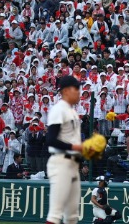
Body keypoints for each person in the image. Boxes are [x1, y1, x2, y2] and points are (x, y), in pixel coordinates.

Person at [45, 75, 84, 224]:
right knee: (55, 215)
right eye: (76, 89)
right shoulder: (58, 109)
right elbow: (51, 140)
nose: (79, 93)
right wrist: (76, 147)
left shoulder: (72, 111)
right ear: (66, 91)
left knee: (72, 217)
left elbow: (71, 140)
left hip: (72, 164)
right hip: (60, 162)